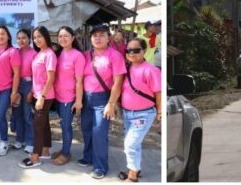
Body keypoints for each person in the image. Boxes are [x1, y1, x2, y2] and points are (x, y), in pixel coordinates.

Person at [79, 24, 126, 179]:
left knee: (99, 132)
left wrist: (111, 104)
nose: (97, 38)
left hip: (103, 99)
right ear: (90, 38)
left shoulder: (115, 56)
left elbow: (118, 82)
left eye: (101, 35)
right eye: (94, 35)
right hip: (86, 98)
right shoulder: (86, 55)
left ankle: (100, 167)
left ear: (109, 38)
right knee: (86, 129)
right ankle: (88, 157)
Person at [119, 38, 162, 183]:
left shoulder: (151, 70)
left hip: (143, 114)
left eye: (136, 50)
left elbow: (159, 92)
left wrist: (160, 112)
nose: (131, 53)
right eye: (128, 50)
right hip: (127, 113)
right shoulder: (127, 68)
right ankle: (134, 169)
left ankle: (132, 177)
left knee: (130, 144)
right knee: (133, 144)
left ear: (144, 51)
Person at [19, 26, 56, 169]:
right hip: (36, 94)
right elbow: (37, 77)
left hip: (45, 96)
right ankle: (45, 151)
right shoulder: (40, 53)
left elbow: (50, 78)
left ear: (46, 36)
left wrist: (42, 96)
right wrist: (32, 92)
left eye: (39, 36)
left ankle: (35, 157)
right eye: (34, 37)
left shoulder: (49, 54)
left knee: (37, 126)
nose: (37, 40)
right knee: (44, 124)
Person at [52, 26, 85, 166]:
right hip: (57, 97)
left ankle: (66, 154)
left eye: (66, 36)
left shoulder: (77, 55)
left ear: (72, 38)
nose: (63, 39)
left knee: (66, 126)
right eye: (60, 36)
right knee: (62, 124)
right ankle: (64, 149)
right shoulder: (58, 54)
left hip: (69, 98)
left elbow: (79, 81)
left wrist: (78, 101)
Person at [0, 26, 20, 156]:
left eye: (3, 34)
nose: (0, 36)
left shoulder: (13, 51)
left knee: (1, 115)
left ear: (8, 36)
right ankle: (2, 138)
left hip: (6, 89)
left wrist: (14, 92)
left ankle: (4, 142)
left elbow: (17, 73)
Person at [12, 28, 35, 154]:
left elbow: (37, 75)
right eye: (19, 38)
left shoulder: (34, 53)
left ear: (29, 39)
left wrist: (32, 90)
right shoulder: (15, 52)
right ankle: (19, 140)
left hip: (28, 84)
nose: (21, 40)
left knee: (27, 115)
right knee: (17, 114)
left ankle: (30, 141)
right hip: (16, 84)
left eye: (24, 38)